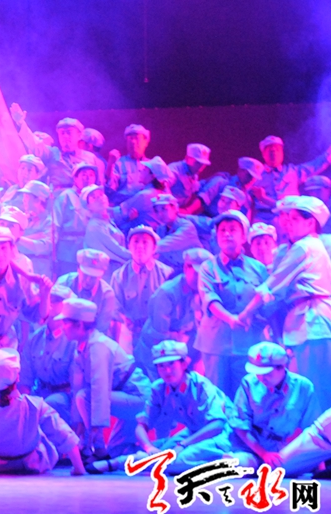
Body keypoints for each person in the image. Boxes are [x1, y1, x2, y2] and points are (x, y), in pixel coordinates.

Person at [238, 195, 331, 411]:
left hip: (313, 321)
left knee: (316, 387)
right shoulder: (309, 246)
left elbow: (271, 286)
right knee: (316, 385)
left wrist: (243, 315)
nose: (288, 223)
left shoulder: (304, 247)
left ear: (310, 223)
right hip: (309, 320)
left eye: (295, 219)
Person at [0, 348, 86, 476]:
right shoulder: (36, 405)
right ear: (17, 378)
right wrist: (78, 469)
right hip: (34, 464)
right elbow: (63, 435)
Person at [111, 341, 234, 475]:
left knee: (172, 463)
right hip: (194, 432)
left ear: (184, 364)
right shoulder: (159, 389)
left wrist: (183, 444)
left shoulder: (200, 385)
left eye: (171, 364)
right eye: (161, 366)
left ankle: (115, 463)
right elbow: (142, 426)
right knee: (163, 454)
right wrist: (148, 447)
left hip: (223, 434)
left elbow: (218, 424)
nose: (167, 371)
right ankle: (115, 463)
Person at [60, 298, 149, 465]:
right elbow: (78, 386)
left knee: (84, 397)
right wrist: (78, 426)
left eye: (66, 323)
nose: (62, 327)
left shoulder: (98, 346)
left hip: (137, 398)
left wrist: (96, 438)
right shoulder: (81, 347)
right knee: (116, 450)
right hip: (122, 397)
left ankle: (98, 449)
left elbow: (99, 391)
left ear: (79, 325)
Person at [194, 210, 269, 399]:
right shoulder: (208, 267)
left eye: (233, 229)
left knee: (246, 396)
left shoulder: (258, 268)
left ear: (244, 236)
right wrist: (232, 319)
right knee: (217, 397)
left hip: (248, 343)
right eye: (222, 230)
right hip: (215, 344)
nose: (227, 234)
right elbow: (210, 299)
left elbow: (266, 304)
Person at [228, 341, 320, 470]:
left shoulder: (304, 387)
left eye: (267, 374)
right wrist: (263, 453)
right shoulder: (248, 383)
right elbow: (240, 425)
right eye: (258, 373)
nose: (262, 378)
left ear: (282, 367)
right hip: (254, 448)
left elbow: (312, 429)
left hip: (286, 451)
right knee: (236, 464)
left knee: (280, 468)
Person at [137, 248, 213, 380]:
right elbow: (159, 337)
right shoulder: (167, 294)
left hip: (182, 352)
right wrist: (181, 341)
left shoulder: (205, 291)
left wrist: (197, 358)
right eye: (197, 273)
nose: (201, 279)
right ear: (186, 268)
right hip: (155, 356)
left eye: (205, 274)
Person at [0, 226, 49, 351]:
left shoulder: (20, 280)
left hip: (4, 344)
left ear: (12, 249)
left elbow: (36, 316)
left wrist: (45, 296)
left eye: (3, 248)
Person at [19, 285, 78, 424]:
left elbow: (76, 386)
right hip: (39, 392)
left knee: (51, 403)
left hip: (63, 399)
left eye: (57, 300)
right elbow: (25, 378)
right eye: (49, 298)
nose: (50, 303)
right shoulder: (35, 338)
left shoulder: (73, 341)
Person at [109, 225, 172, 351]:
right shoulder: (119, 276)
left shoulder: (167, 273)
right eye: (136, 241)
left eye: (145, 242)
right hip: (130, 336)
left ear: (154, 248)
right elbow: (115, 309)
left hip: (159, 336)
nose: (140, 246)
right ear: (129, 246)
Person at [254, 136, 331, 225]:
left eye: (277, 150)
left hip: (291, 220)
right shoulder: (256, 176)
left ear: (282, 153)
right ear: (263, 154)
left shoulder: (293, 172)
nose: (274, 152)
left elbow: (316, 165)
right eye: (270, 150)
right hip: (264, 221)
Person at [55, 248, 117, 334]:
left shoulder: (107, 295)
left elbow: (101, 329)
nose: (88, 280)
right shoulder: (63, 284)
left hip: (91, 337)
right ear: (78, 269)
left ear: (101, 276)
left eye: (93, 277)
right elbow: (54, 319)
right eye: (85, 274)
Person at [52, 164, 97, 276]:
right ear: (75, 178)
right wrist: (53, 255)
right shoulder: (65, 196)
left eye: (91, 175)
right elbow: (55, 227)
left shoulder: (97, 198)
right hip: (68, 252)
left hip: (89, 251)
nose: (88, 178)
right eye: (84, 175)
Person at [81, 184, 129, 276]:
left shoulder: (107, 222)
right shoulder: (95, 226)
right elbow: (116, 250)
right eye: (94, 197)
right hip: (108, 273)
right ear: (88, 206)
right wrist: (135, 256)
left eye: (101, 194)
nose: (100, 198)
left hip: (117, 271)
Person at [151, 193, 202, 273]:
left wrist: (148, 248)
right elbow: (162, 256)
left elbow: (167, 244)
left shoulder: (187, 226)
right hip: (178, 270)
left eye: (164, 209)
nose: (160, 214)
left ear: (175, 208)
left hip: (197, 269)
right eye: (157, 211)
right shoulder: (161, 229)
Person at [106, 124, 154, 204]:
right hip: (122, 206)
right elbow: (109, 190)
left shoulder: (152, 165)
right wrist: (110, 165)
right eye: (130, 139)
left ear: (146, 142)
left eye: (137, 138)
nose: (133, 142)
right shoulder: (119, 163)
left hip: (145, 206)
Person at [17, 180, 54, 278]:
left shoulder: (49, 222)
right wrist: (35, 236)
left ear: (38, 200)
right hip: (22, 268)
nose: (23, 200)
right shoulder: (24, 219)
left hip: (40, 270)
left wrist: (18, 238)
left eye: (27, 197)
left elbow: (44, 247)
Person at [168, 144, 212, 214]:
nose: (201, 167)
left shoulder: (194, 174)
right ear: (187, 159)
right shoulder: (175, 170)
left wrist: (211, 178)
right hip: (166, 211)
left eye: (203, 164)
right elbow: (161, 189)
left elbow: (196, 187)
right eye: (198, 163)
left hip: (177, 211)